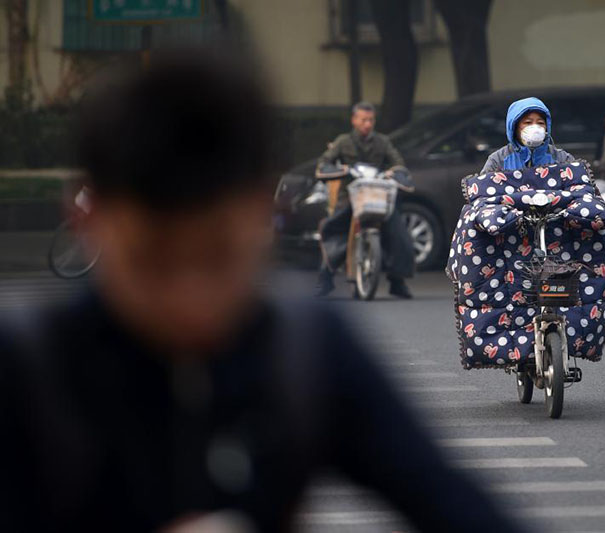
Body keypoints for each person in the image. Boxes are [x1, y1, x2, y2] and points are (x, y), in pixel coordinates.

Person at [0, 50, 525, 533]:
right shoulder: (26, 372)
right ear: (84, 218)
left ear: (264, 214)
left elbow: (453, 504)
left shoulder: (304, 349)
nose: (191, 303)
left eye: (217, 257)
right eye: (153, 263)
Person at [314, 102, 415, 299]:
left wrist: (393, 172)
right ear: (354, 120)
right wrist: (341, 170)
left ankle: (397, 280)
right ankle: (325, 278)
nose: (367, 124)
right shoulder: (343, 141)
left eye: (370, 120)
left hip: (376, 195)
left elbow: (398, 163)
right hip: (349, 198)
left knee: (397, 230)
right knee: (335, 229)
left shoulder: (382, 142)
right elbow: (324, 163)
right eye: (363, 120)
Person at [481, 96, 574, 173]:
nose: (535, 128)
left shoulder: (562, 158)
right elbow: (484, 191)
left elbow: (578, 188)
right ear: (514, 127)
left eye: (540, 123)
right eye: (528, 122)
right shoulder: (498, 160)